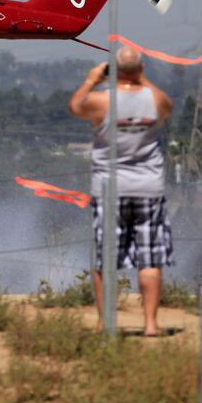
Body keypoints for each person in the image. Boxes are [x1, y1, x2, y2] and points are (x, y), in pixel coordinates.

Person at [68, 46, 174, 335]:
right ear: (140, 70)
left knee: (108, 258)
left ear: (113, 73)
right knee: (150, 259)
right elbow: (167, 103)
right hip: (148, 188)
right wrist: (141, 78)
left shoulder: (102, 102)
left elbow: (75, 106)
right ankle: (150, 324)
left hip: (110, 189)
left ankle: (106, 322)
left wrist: (92, 80)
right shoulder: (154, 101)